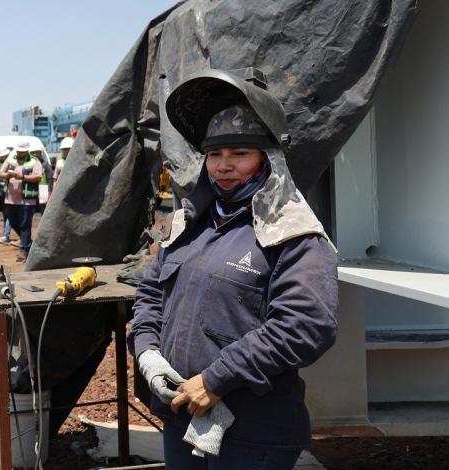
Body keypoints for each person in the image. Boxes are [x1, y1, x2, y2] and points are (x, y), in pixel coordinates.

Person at [128, 70, 338, 469]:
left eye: (239, 154)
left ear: (267, 159)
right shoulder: (190, 224)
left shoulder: (291, 232)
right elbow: (152, 293)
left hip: (253, 434)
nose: (224, 166)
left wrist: (215, 380)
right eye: (215, 155)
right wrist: (148, 353)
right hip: (181, 416)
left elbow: (306, 325)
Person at [0, 141, 42, 262]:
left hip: (27, 201)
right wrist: (8, 175)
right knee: (12, 222)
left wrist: (22, 177)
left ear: (26, 151)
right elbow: (1, 172)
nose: (19, 153)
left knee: (25, 225)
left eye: (21, 152)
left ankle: (24, 250)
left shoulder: (34, 161)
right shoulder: (10, 159)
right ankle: (28, 243)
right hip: (10, 199)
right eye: (18, 151)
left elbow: (38, 177)